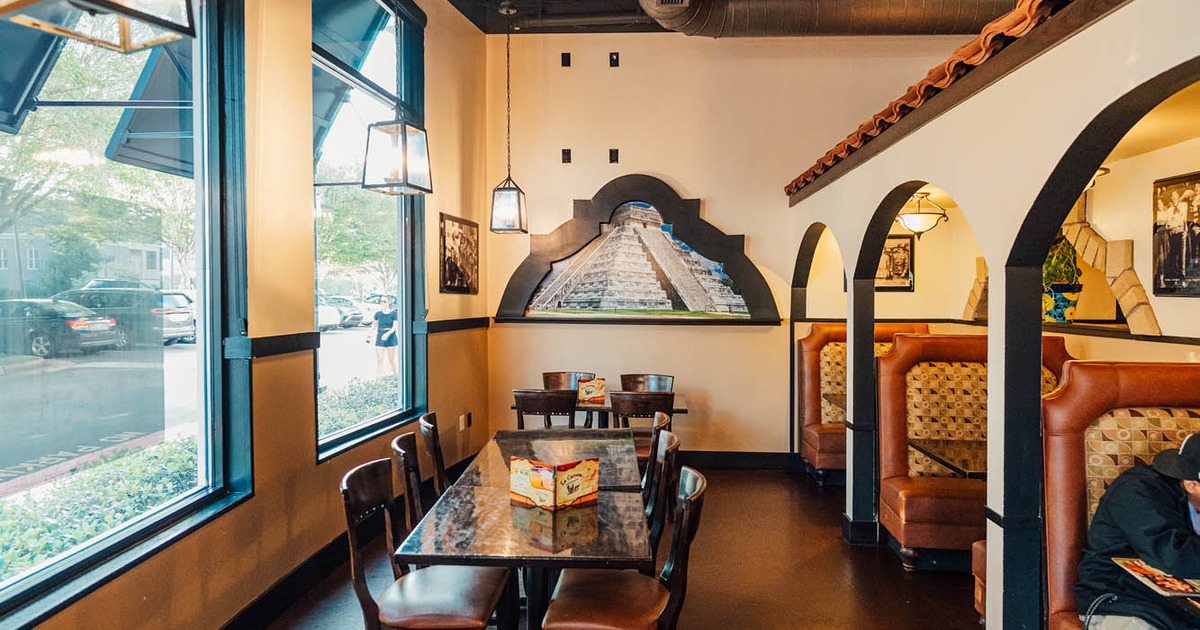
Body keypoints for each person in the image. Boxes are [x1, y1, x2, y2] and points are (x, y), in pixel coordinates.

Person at [1076, 434, 1200, 629]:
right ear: (1192, 484)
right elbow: (1173, 555)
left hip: (1184, 607)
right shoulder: (1137, 491)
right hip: (1123, 600)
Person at [372, 296, 398, 377]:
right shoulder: (378, 314)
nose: (382, 303)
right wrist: (370, 331)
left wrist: (387, 334)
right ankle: (378, 378)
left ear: (389, 302)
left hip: (391, 338)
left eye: (384, 301)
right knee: (379, 359)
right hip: (380, 336)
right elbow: (374, 325)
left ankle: (394, 375)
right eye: (381, 301)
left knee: (391, 361)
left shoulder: (394, 314)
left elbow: (394, 327)